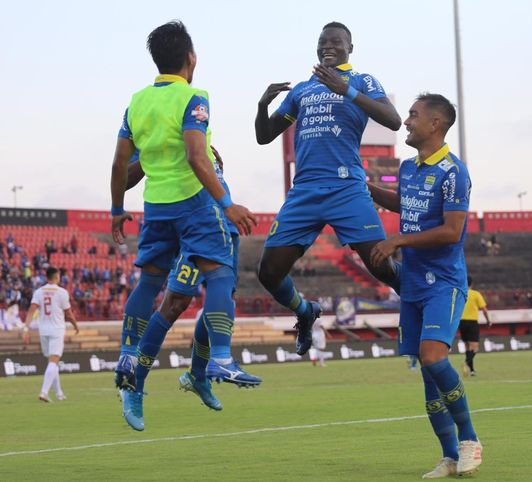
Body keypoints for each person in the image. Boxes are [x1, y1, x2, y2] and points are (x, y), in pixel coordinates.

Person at [110, 20, 258, 431]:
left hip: (158, 208)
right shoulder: (195, 98)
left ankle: (138, 359)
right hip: (196, 210)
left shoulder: (136, 103)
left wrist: (115, 208)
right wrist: (226, 202)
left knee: (155, 287)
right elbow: (194, 157)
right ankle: (215, 362)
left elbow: (126, 165)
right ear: (191, 59)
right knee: (210, 283)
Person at [254, 21, 402, 356]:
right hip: (305, 190)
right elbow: (265, 135)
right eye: (323, 43)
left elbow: (392, 120)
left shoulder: (361, 81)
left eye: (336, 42)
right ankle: (305, 312)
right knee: (268, 271)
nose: (328, 47)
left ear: (351, 47)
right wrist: (262, 106)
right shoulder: (302, 90)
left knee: (381, 265)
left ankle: (421, 303)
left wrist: (345, 90)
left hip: (346, 187)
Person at [367, 93, 481, 478]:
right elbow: (407, 205)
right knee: (427, 375)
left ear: (436, 124)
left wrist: (397, 240)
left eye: (414, 115)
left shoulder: (454, 172)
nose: (407, 121)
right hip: (413, 285)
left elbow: (452, 231)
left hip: (444, 283)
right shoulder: (409, 168)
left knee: (434, 357)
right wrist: (367, 189)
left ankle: (470, 441)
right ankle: (450, 457)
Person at [21, 267, 79, 402]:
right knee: (54, 362)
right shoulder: (62, 292)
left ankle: (59, 393)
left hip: (44, 331)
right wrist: (76, 325)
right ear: (57, 276)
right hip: (57, 330)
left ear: (46, 277)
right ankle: (44, 392)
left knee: (52, 363)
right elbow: (69, 314)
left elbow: (31, 311)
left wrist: (26, 327)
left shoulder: (39, 292)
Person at [459, 276, 491, 377]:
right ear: (472, 284)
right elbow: (484, 309)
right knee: (475, 348)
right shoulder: (476, 294)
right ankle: (466, 362)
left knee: (467, 347)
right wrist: (488, 320)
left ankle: (472, 370)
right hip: (472, 322)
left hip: (461, 322)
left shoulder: (460, 294)